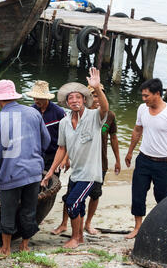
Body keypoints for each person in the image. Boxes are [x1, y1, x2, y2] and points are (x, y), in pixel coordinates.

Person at [0, 80, 51, 256]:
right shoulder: (34, 113)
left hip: (10, 173)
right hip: (34, 172)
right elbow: (46, 141)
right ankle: (24, 246)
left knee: (8, 211)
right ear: (14, 96)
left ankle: (5, 249)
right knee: (29, 210)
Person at [42, 67, 109, 249]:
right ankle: (78, 237)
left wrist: (98, 88)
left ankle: (75, 237)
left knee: (72, 203)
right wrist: (50, 172)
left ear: (84, 100)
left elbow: (105, 108)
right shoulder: (64, 122)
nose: (74, 100)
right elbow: (61, 148)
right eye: (70, 98)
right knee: (76, 206)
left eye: (78, 97)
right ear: (66, 102)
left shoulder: (94, 117)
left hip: (90, 173)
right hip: (75, 172)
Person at [51, 84, 121, 236]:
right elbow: (71, 142)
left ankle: (85, 227)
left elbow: (114, 137)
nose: (96, 98)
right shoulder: (71, 119)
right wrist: (64, 160)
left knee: (93, 195)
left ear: (83, 99)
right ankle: (66, 225)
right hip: (78, 167)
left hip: (97, 165)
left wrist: (118, 159)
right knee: (71, 197)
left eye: (98, 95)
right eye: (93, 95)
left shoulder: (104, 115)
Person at [124, 78, 167, 239]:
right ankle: (138, 227)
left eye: (146, 96)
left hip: (164, 163)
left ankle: (163, 226)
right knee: (137, 194)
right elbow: (137, 130)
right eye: (143, 96)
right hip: (144, 159)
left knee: (163, 197)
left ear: (157, 94)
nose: (143, 99)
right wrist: (130, 152)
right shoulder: (142, 109)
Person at [26, 80, 66, 174]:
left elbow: (67, 137)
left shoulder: (59, 113)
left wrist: (64, 158)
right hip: (35, 155)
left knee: (52, 183)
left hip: (54, 155)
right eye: (34, 98)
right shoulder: (31, 111)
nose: (35, 100)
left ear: (46, 98)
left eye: (39, 98)